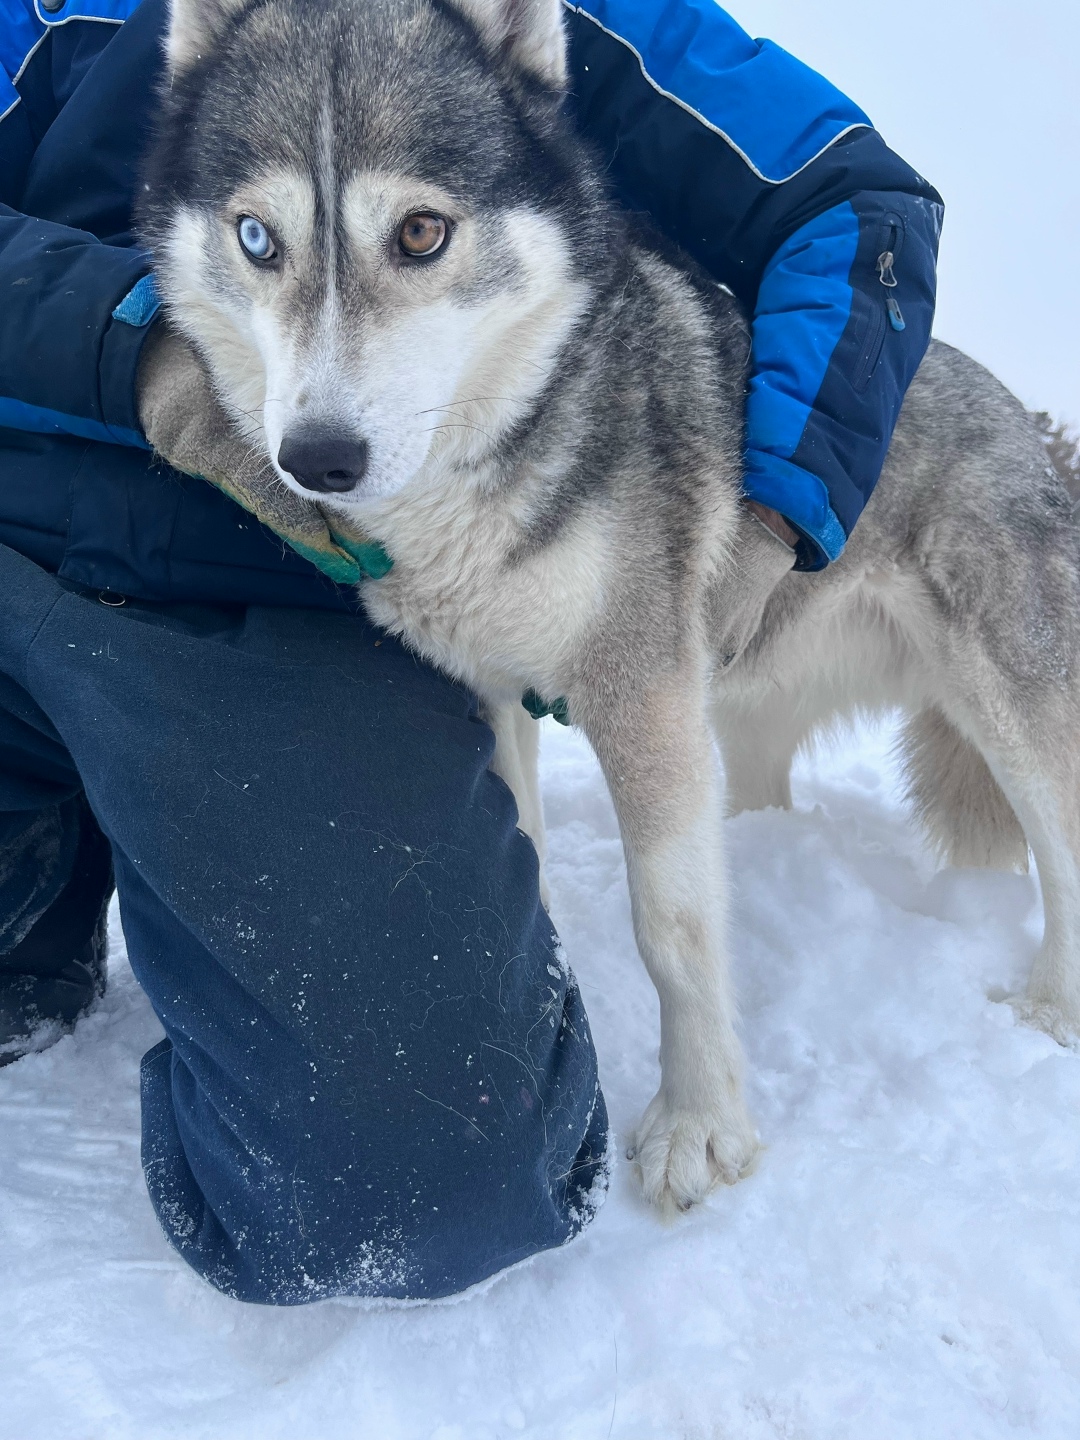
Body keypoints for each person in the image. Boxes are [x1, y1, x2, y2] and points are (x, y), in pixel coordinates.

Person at [0, 0, 941, 1303]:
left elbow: (854, 206)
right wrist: (142, 354)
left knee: (411, 1187)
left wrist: (776, 513)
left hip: (290, 606)